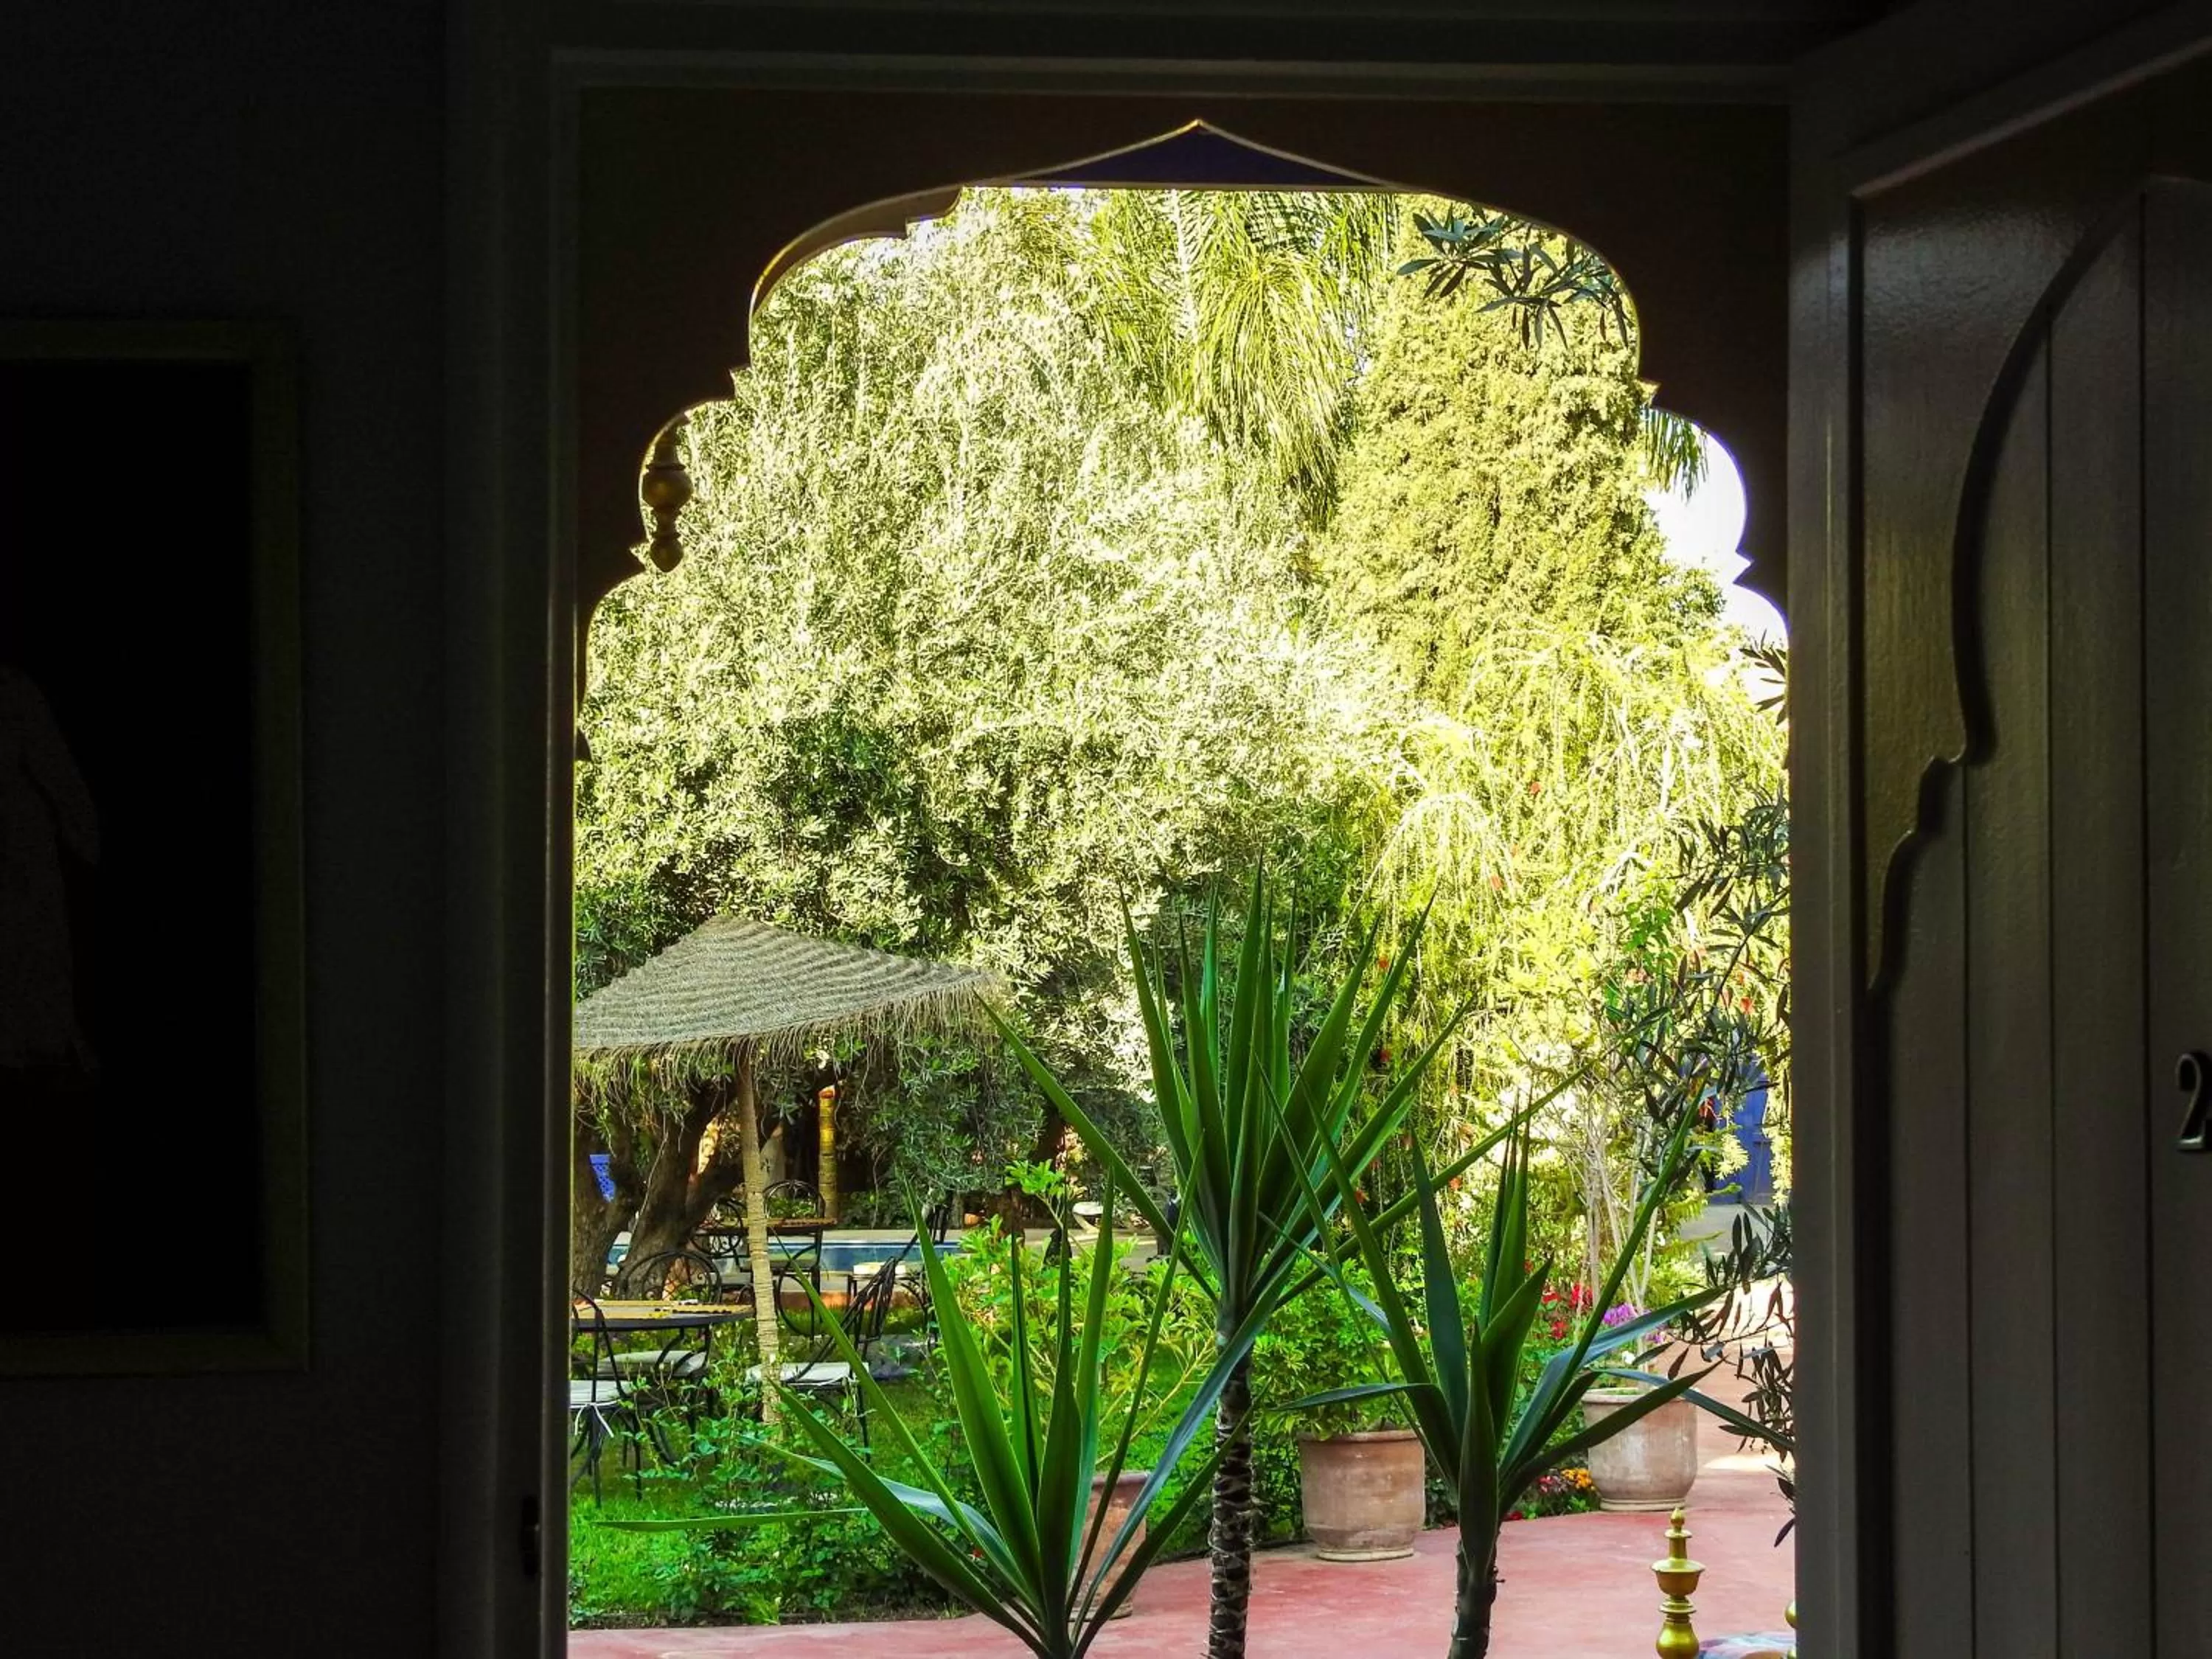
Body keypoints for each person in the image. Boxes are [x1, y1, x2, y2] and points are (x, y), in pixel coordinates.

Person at [0, 661, 98, 1079]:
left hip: (22, 854)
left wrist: (84, 837)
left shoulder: (13, 692)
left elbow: (57, 772)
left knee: (33, 944)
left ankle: (41, 1042)